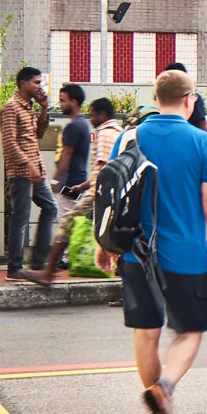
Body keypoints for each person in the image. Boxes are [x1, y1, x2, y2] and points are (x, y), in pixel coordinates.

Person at [97, 69, 207, 414]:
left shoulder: (129, 137)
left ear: (156, 98)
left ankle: (161, 406)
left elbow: (111, 194)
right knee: (189, 331)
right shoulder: (202, 142)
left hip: (137, 253)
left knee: (146, 333)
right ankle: (165, 387)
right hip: (186, 253)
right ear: (190, 100)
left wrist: (104, 244)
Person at [23, 96, 123, 287]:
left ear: (102, 114)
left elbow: (103, 169)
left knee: (67, 222)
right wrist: (83, 186)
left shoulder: (103, 133)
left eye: (93, 115)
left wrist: (61, 181)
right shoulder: (118, 132)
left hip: (100, 193)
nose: (90, 119)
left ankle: (48, 273)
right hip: (110, 192)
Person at [0, 67, 55, 280]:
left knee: (51, 207)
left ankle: (38, 260)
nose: (40, 87)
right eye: (37, 82)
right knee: (20, 217)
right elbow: (9, 144)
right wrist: (29, 165)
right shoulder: (11, 107)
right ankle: (14, 267)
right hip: (22, 171)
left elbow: (39, 134)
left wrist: (44, 109)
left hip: (36, 170)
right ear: (24, 83)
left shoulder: (29, 106)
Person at [50, 83, 92, 234]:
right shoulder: (83, 124)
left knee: (65, 222)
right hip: (78, 180)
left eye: (63, 100)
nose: (60, 104)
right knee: (73, 219)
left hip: (68, 184)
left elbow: (66, 155)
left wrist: (55, 180)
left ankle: (66, 257)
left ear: (73, 102)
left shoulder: (73, 127)